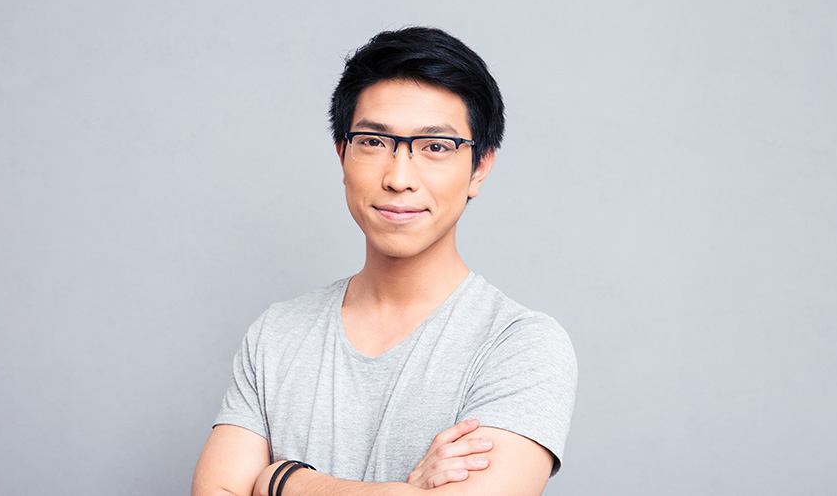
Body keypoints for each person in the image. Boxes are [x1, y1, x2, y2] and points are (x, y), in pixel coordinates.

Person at [192, 27, 577, 496]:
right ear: (343, 156)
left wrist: (284, 480)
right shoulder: (277, 334)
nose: (398, 177)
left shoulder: (520, 345)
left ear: (480, 167)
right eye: (374, 142)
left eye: (435, 147)